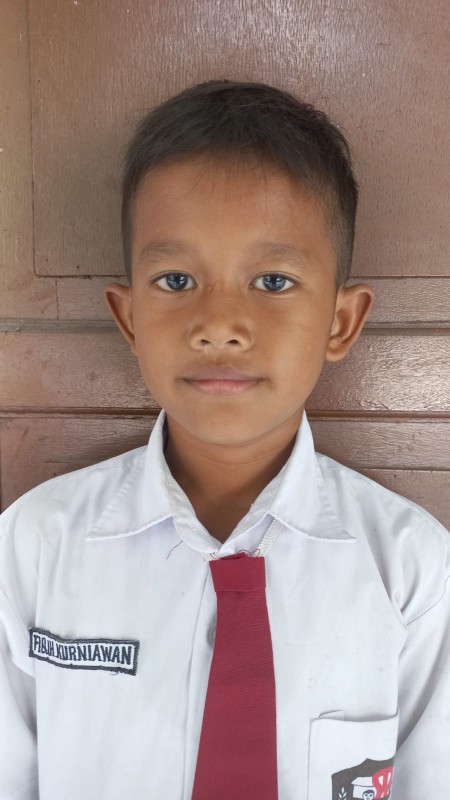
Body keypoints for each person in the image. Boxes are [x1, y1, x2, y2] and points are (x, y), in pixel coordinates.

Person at [0, 80, 449, 800]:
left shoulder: (414, 572)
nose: (218, 325)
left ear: (341, 323)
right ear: (128, 318)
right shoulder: (31, 550)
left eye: (272, 281)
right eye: (176, 279)